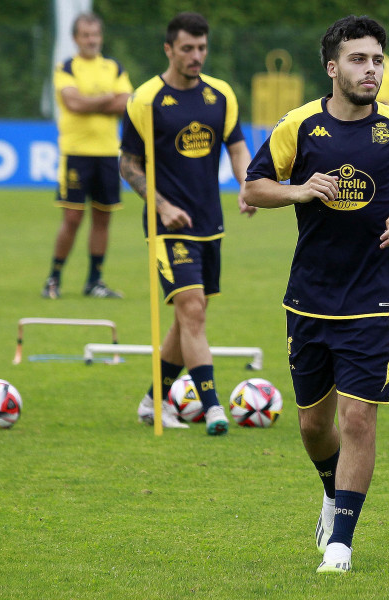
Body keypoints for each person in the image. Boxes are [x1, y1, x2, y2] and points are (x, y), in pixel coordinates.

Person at [242, 15, 389, 574]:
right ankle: (330, 490)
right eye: (357, 59)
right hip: (309, 298)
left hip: (374, 299)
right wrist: (299, 191)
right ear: (332, 67)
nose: (370, 70)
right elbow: (253, 186)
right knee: (311, 425)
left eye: (376, 60)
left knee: (358, 420)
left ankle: (341, 541)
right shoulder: (298, 125)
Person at [119, 12, 254, 434]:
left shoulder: (221, 95)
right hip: (168, 227)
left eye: (201, 48)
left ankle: (152, 401)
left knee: (186, 318)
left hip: (210, 224)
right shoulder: (145, 100)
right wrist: (159, 205)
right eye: (187, 49)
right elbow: (128, 164)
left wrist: (247, 184)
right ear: (168, 49)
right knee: (192, 309)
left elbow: (237, 147)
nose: (196, 56)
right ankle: (213, 407)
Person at [42, 13, 132, 300]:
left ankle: (94, 281)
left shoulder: (113, 67)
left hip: (107, 153)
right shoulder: (66, 67)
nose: (91, 40)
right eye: (85, 35)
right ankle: (54, 278)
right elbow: (73, 102)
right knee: (72, 218)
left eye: (95, 34)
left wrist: (92, 101)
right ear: (76, 38)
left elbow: (125, 103)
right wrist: (106, 98)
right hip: (77, 154)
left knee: (103, 219)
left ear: (100, 36)